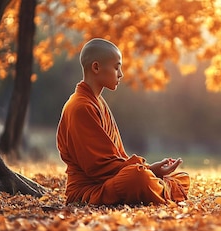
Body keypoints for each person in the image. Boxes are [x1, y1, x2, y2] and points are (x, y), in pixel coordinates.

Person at [56, 38, 190, 205]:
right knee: (137, 178)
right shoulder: (80, 107)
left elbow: (116, 157)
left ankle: (159, 186)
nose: (121, 74)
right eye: (116, 67)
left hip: (109, 181)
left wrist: (150, 169)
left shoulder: (97, 101)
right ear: (96, 67)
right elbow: (99, 168)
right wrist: (146, 170)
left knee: (179, 177)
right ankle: (163, 188)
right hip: (90, 190)